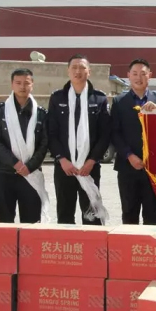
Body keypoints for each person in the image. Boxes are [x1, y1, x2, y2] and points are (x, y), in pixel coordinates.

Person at [48, 54, 111, 225]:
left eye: (82, 67)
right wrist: (62, 159)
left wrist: (91, 161)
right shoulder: (57, 98)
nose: (78, 71)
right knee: (65, 215)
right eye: (74, 67)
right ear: (68, 71)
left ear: (89, 72)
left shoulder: (99, 98)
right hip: (64, 168)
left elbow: (105, 134)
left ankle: (92, 243)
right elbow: (51, 133)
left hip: (89, 168)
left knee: (92, 216)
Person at [112, 58, 156, 225]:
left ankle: (150, 242)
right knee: (129, 213)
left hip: (154, 168)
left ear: (150, 75)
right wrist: (129, 155)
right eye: (135, 73)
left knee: (153, 214)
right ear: (128, 76)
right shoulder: (119, 102)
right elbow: (114, 133)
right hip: (128, 167)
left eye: (143, 74)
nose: (139, 78)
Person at [0, 68, 49, 224]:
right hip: (6, 173)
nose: (22, 86)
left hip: (31, 174)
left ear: (32, 84)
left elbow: (44, 143)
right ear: (12, 84)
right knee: (5, 221)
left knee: (31, 222)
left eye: (26, 83)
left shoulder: (41, 113)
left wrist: (29, 166)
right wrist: (15, 163)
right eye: (18, 83)